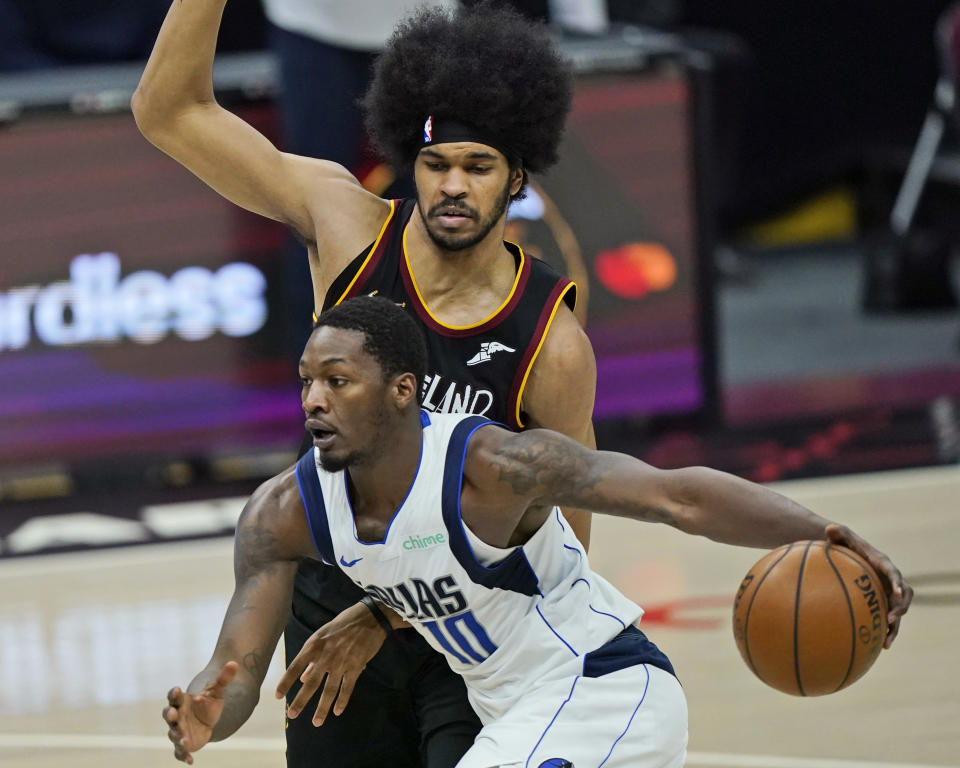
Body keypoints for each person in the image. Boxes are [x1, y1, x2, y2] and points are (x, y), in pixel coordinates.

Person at [162, 296, 913, 767]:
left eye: (338, 381)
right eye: (305, 381)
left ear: (400, 391)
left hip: (601, 692)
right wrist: (205, 714)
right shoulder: (281, 513)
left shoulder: (493, 467)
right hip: (515, 716)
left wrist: (831, 531)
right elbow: (236, 669)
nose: (313, 402)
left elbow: (674, 497)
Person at [134, 3, 595, 765]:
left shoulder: (552, 343)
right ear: (407, 158)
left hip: (471, 629)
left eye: (476, 167)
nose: (451, 185)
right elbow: (169, 110)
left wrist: (396, 618)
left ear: (517, 176)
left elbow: (564, 551)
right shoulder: (346, 226)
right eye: (435, 162)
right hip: (330, 598)